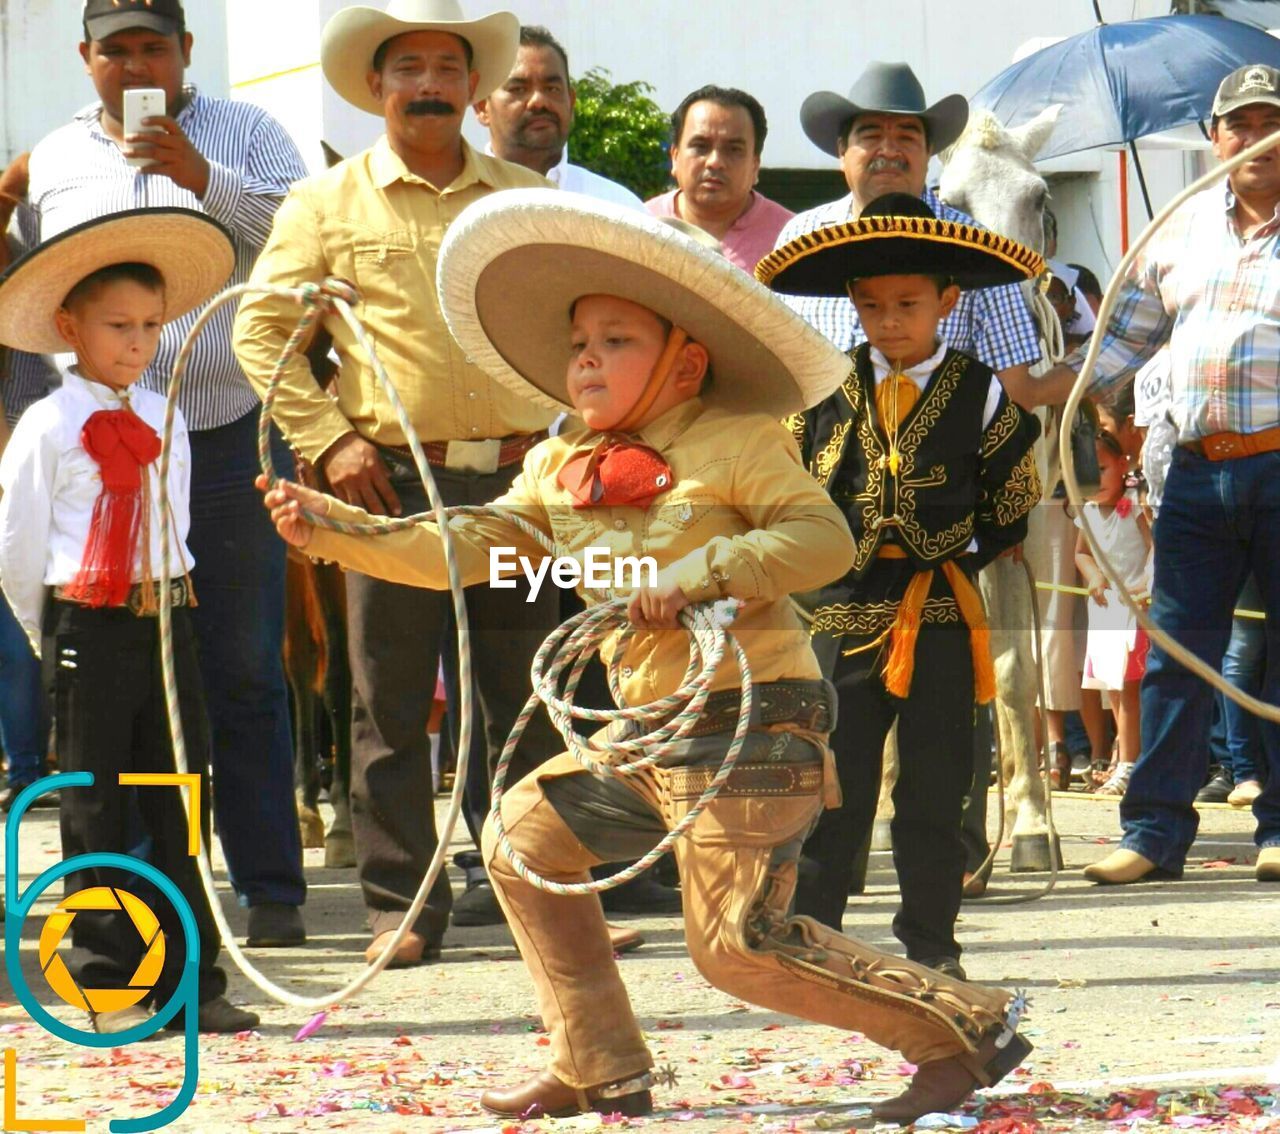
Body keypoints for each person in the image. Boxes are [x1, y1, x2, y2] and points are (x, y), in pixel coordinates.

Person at [260, 187, 1035, 1125]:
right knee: (517, 840)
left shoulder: (737, 441)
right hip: (644, 735)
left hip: (755, 726)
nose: (585, 357)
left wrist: (713, 568)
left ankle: (964, 1030)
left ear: (686, 360)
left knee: (736, 948)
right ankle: (599, 1063)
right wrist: (340, 535)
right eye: (579, 342)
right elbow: (471, 544)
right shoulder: (558, 469)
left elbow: (825, 542)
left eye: (617, 340)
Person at [233, 0, 559, 968]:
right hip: (387, 491)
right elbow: (259, 334)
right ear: (375, 87)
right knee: (385, 696)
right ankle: (398, 907)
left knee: (529, 693)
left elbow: (565, 324)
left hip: (515, 490)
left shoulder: (516, 196)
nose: (426, 84)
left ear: (473, 87)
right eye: (406, 67)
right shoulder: (323, 206)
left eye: (445, 67)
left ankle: (539, 896)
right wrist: (329, 439)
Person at [4, 0, 311, 948]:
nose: (136, 66)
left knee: (247, 667)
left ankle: (270, 890)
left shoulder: (249, 131)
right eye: (117, 50)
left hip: (224, 432)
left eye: (154, 47)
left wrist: (204, 179)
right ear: (86, 58)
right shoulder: (52, 157)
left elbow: (304, 241)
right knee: (124, 690)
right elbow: (35, 283)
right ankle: (144, 904)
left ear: (185, 53)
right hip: (102, 451)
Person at [758, 193, 1043, 975]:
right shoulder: (819, 389)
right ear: (853, 303)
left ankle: (931, 943)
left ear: (948, 303)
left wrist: (961, 552)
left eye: (909, 304)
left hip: (943, 608)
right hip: (838, 610)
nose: (891, 321)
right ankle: (810, 936)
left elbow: (1014, 496)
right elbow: (786, 487)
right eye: (875, 305)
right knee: (828, 778)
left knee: (937, 781)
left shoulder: (981, 389)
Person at [1019, 63, 1280, 886]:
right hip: (1197, 473)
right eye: (1239, 124)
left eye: (1271, 120)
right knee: (1174, 649)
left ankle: (1278, 827)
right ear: (1215, 139)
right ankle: (1154, 833)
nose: (1255, 137)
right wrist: (1041, 388)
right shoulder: (1178, 228)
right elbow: (1119, 348)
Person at [0, 209, 258, 1034]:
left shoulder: (166, 413)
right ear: (71, 327)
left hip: (164, 620)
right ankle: (109, 975)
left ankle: (191, 982)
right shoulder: (48, 424)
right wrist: (52, 637)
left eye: (151, 326)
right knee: (92, 802)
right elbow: (18, 541)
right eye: (119, 326)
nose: (138, 342)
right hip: (87, 625)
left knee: (179, 799)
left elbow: (175, 527)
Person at [474, 24, 642, 208]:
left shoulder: (617, 207)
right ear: (482, 107)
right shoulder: (459, 205)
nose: (539, 101)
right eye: (518, 89)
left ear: (571, 102)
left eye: (552, 89)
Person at [1074, 430, 1152, 798]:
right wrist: (1094, 575)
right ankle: (1125, 759)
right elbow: (1082, 553)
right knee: (1115, 693)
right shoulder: (1088, 512)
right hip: (1104, 611)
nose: (1094, 480)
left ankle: (1131, 764)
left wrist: (1147, 585)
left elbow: (1156, 547)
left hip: (1134, 611)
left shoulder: (1135, 505)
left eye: (1101, 468)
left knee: (1129, 690)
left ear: (1123, 464)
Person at [646, 85, 793, 273]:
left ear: (755, 165)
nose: (715, 162)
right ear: (675, 157)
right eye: (700, 146)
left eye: (733, 149)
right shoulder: (640, 225)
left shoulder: (790, 241)